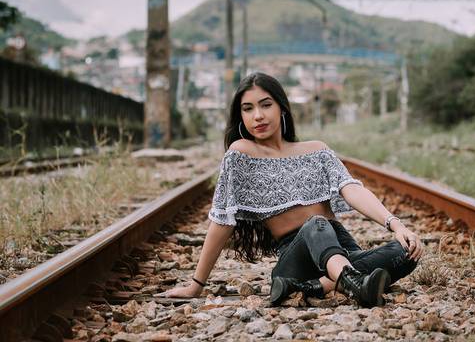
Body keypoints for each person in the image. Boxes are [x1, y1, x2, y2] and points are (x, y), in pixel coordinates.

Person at [160, 72, 422, 307]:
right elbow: (221, 221)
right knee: (316, 223)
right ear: (240, 116)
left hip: (340, 246)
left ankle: (315, 287)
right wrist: (197, 284)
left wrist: (396, 225)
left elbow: (351, 189)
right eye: (248, 109)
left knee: (406, 252)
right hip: (295, 257)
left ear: (282, 109)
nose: (258, 116)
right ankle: (350, 281)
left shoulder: (317, 150)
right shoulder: (241, 153)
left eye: (266, 105)